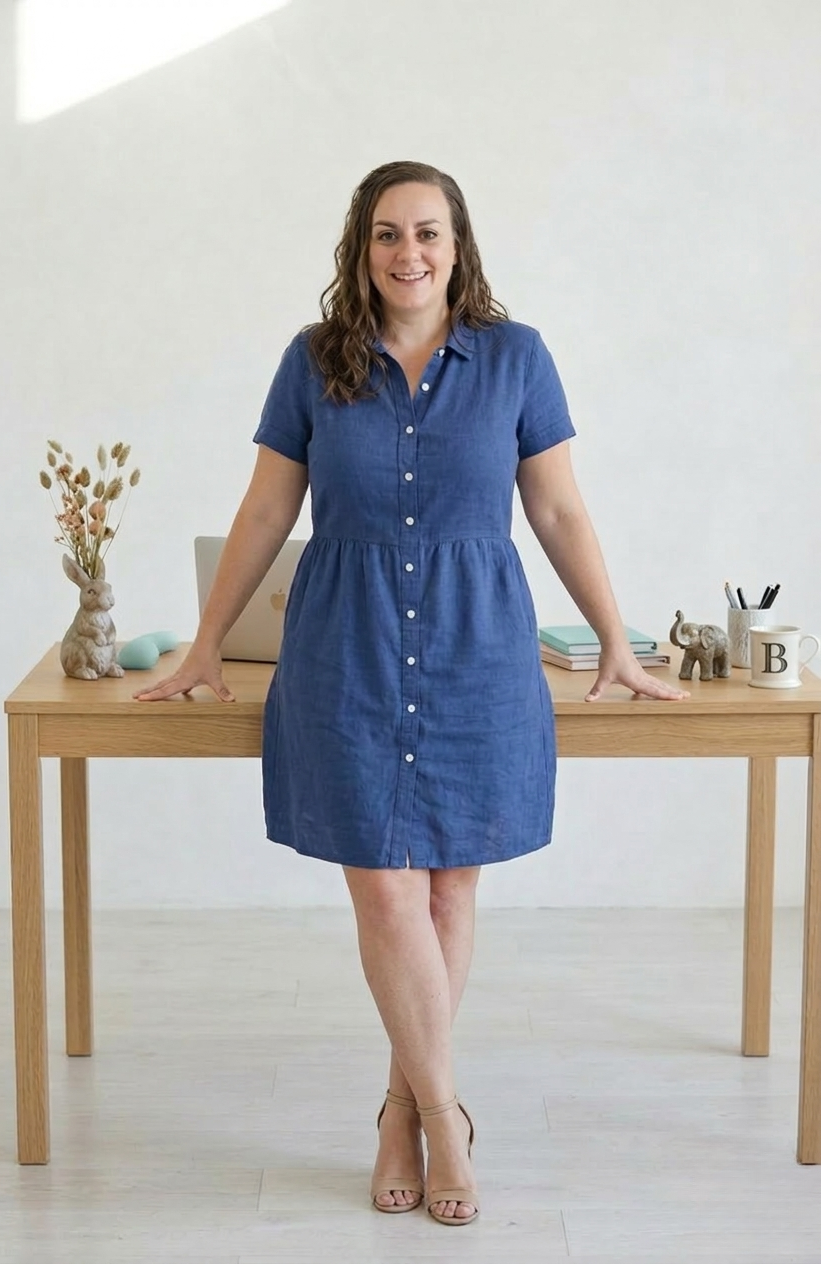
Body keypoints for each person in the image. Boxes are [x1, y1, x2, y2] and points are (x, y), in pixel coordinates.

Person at [135, 160, 688, 1225]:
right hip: (342, 649)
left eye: (427, 233)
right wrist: (204, 643)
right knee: (383, 886)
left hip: (478, 648)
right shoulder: (313, 363)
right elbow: (261, 514)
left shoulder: (516, 358)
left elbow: (560, 512)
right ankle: (446, 1117)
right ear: (360, 248)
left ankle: (397, 1104)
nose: (408, 254)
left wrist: (617, 641)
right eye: (386, 235)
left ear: (457, 242)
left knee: (447, 890)